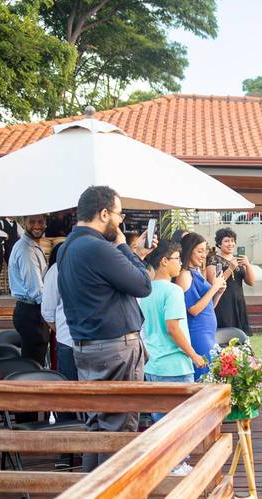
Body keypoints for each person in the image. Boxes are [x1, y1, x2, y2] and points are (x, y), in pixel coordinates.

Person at [57, 186, 152, 472]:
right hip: (116, 349)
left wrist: (133, 252)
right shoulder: (97, 247)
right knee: (119, 430)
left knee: (98, 427)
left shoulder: (67, 248)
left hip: (87, 347)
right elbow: (143, 285)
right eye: (119, 214)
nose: (121, 221)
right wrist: (125, 247)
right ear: (103, 213)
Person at [140, 243, 208, 475]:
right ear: (163, 261)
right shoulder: (173, 291)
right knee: (180, 420)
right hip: (174, 363)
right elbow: (173, 328)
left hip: (153, 361)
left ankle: (165, 463)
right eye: (177, 258)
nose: (181, 262)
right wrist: (194, 355)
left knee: (159, 418)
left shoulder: (145, 290)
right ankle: (176, 464)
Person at [175, 232, 225, 380]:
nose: (204, 255)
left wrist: (218, 293)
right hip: (198, 334)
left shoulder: (195, 273)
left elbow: (208, 306)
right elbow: (193, 310)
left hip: (208, 334)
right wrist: (214, 288)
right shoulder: (184, 275)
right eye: (199, 251)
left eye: (205, 251)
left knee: (212, 377)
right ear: (189, 250)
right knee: (204, 377)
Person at [8, 214, 50, 365]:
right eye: (32, 222)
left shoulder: (33, 245)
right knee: (33, 365)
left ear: (45, 223)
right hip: (32, 312)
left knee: (34, 361)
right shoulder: (27, 250)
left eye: (40, 221)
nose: (37, 225)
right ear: (24, 223)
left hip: (31, 311)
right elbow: (36, 291)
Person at [41, 245, 77, 382]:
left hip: (97, 346)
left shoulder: (101, 266)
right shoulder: (57, 269)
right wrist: (62, 330)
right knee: (70, 391)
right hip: (69, 342)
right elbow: (48, 313)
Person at [209, 228, 254, 336]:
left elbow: (251, 282)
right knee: (225, 334)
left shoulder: (238, 259)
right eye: (226, 241)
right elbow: (213, 283)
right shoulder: (213, 260)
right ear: (219, 244)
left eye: (232, 241)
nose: (230, 244)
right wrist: (231, 268)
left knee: (241, 336)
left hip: (238, 300)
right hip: (222, 301)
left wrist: (247, 265)